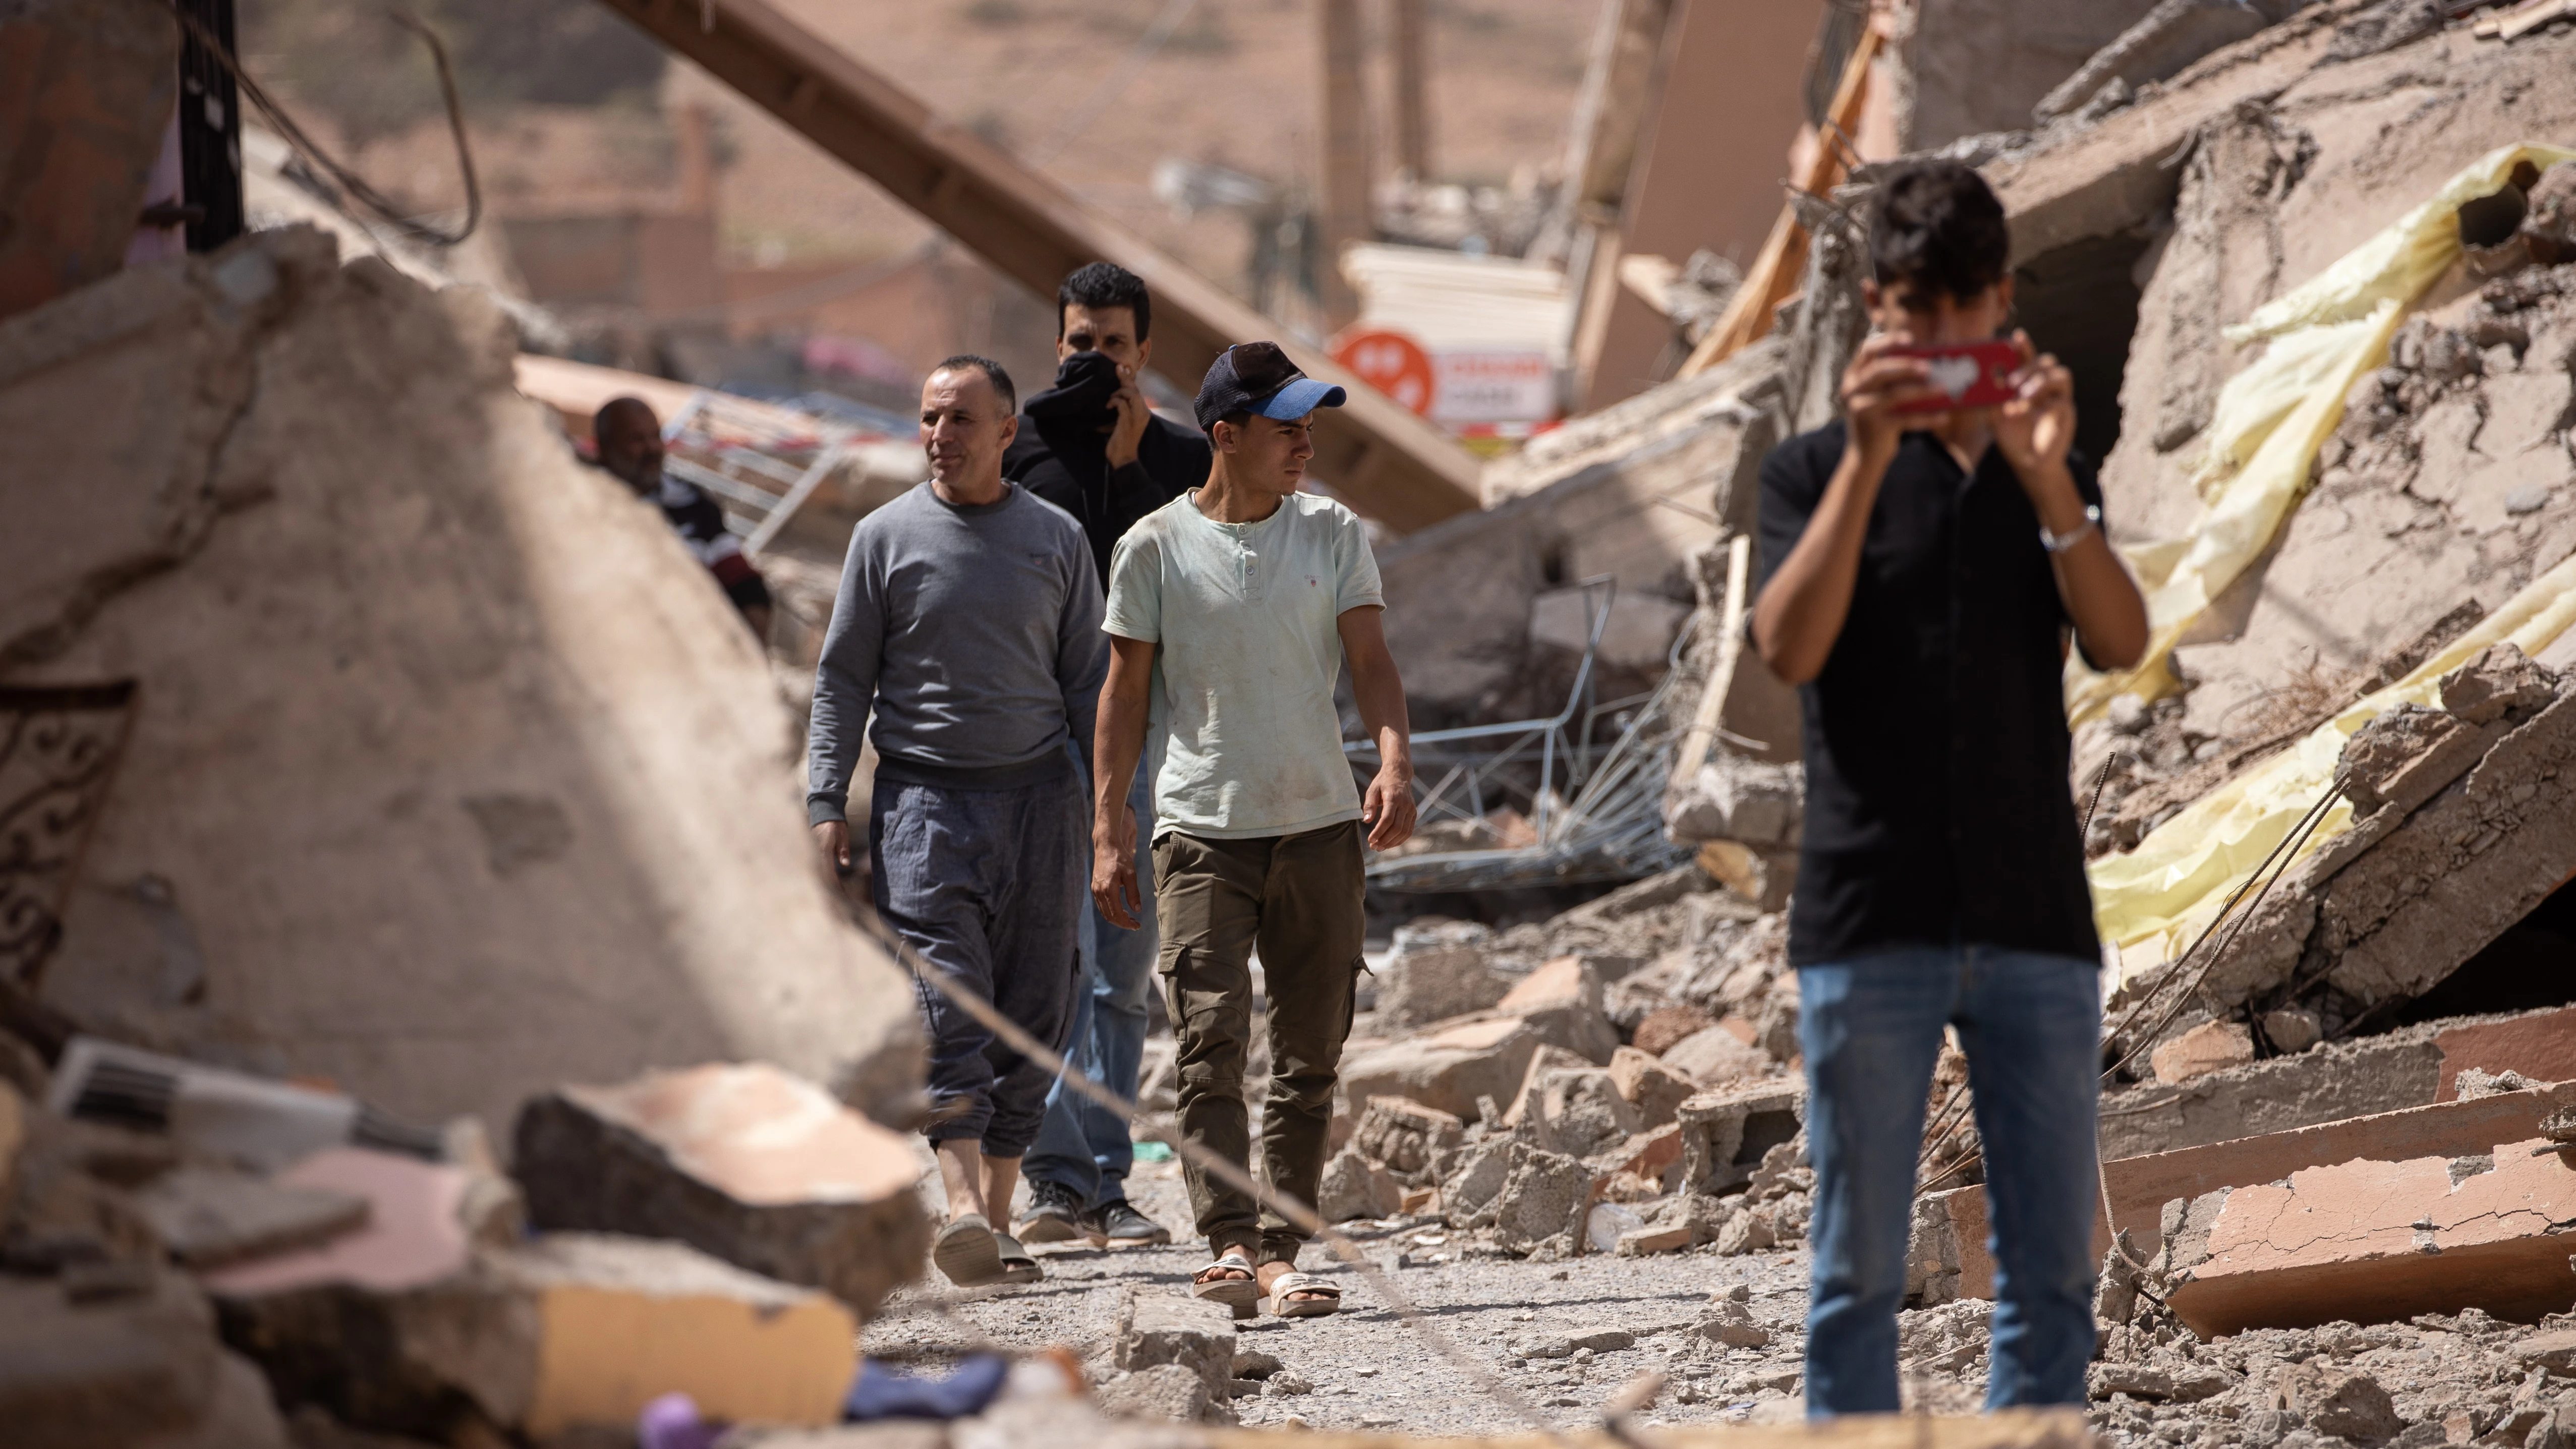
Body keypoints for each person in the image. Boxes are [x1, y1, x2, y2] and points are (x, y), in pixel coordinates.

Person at [1746, 160, 2150, 1415]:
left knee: (2048, 1272)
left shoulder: (2049, 465)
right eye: (1909, 315)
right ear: (1873, 305)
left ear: (2000, 303)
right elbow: (1785, 649)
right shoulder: (1811, 472)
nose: (1935, 340)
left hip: (2034, 915)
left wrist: (2046, 484)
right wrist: (1869, 460)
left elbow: (2122, 640)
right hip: (1869, 918)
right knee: (1856, 1268)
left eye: (1959, 312)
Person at [1092, 341, 1418, 1319]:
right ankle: (1232, 1238)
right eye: (1287, 428)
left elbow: (1372, 662)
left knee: (1311, 1046)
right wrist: (1110, 824)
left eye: (1310, 426)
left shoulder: (1330, 532)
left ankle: (1286, 1239)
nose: (1305, 444)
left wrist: (1395, 760)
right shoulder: (1152, 545)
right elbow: (1123, 694)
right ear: (1224, 437)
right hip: (1199, 829)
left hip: (1319, 825)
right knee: (1209, 1041)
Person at [806, 356, 1106, 1290]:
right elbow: (841, 678)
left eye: (961, 420)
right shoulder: (882, 538)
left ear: (1007, 430)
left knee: (1034, 1010)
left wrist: (1108, 815)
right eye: (930, 418)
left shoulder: (1055, 539)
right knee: (948, 1006)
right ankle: (962, 1205)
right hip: (924, 808)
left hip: (1040, 803)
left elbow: (1090, 685)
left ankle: (997, 1220)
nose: (942, 436)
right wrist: (824, 796)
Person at [1006, 262, 1210, 1251]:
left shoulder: (1177, 459)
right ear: (1058, 345)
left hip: (1143, 746)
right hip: (1035, 744)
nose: (1094, 362)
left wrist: (1131, 467)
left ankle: (1106, 1176)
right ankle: (1051, 1179)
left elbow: (1189, 598)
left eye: (1113, 346)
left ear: (1144, 355)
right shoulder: (1013, 451)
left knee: (1121, 974)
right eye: (1079, 344)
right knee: (1046, 965)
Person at [592, 396, 774, 639]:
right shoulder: (584, 506)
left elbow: (745, 587)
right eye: (636, 440)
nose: (652, 449)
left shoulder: (693, 502)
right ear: (605, 449)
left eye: (656, 436)